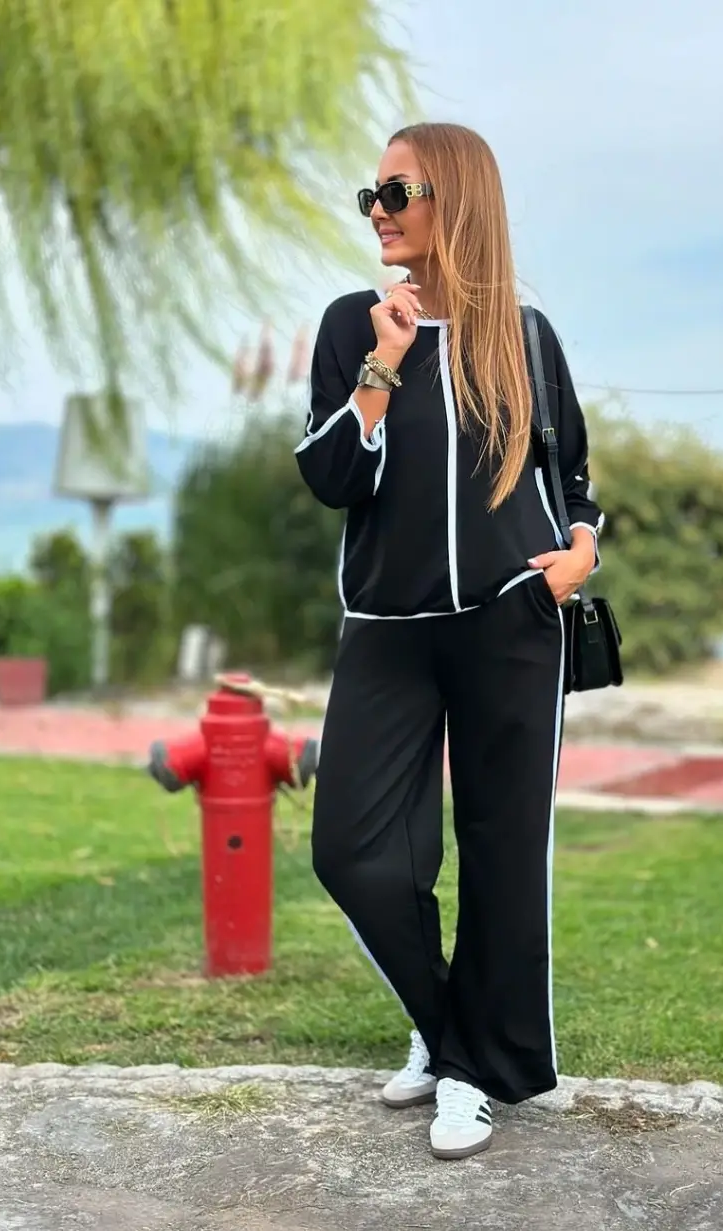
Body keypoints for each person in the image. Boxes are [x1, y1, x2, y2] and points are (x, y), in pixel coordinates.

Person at [294, 121, 602, 1161]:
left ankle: (469, 1071)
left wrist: (581, 550)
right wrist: (381, 365)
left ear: (454, 200)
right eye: (371, 196)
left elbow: (572, 475)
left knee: (505, 857)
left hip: (513, 623)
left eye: (397, 192)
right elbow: (332, 475)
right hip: (388, 630)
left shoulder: (527, 337)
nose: (377, 211)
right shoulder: (354, 324)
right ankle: (451, 1029)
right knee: (352, 851)